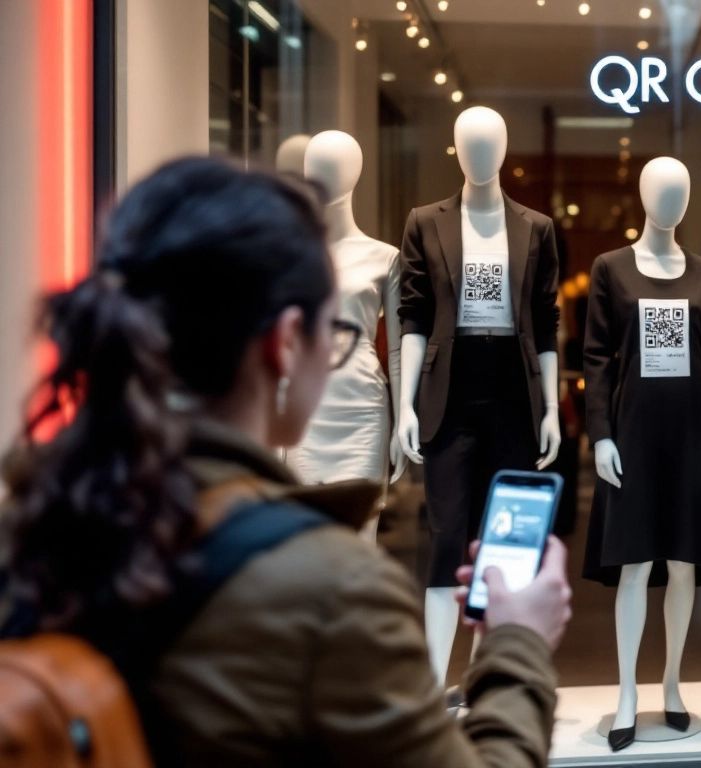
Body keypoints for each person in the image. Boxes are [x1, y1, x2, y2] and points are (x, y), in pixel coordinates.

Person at [0, 157, 572, 767]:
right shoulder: (333, 589)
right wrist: (517, 645)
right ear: (286, 342)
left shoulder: (33, 528)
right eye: (338, 331)